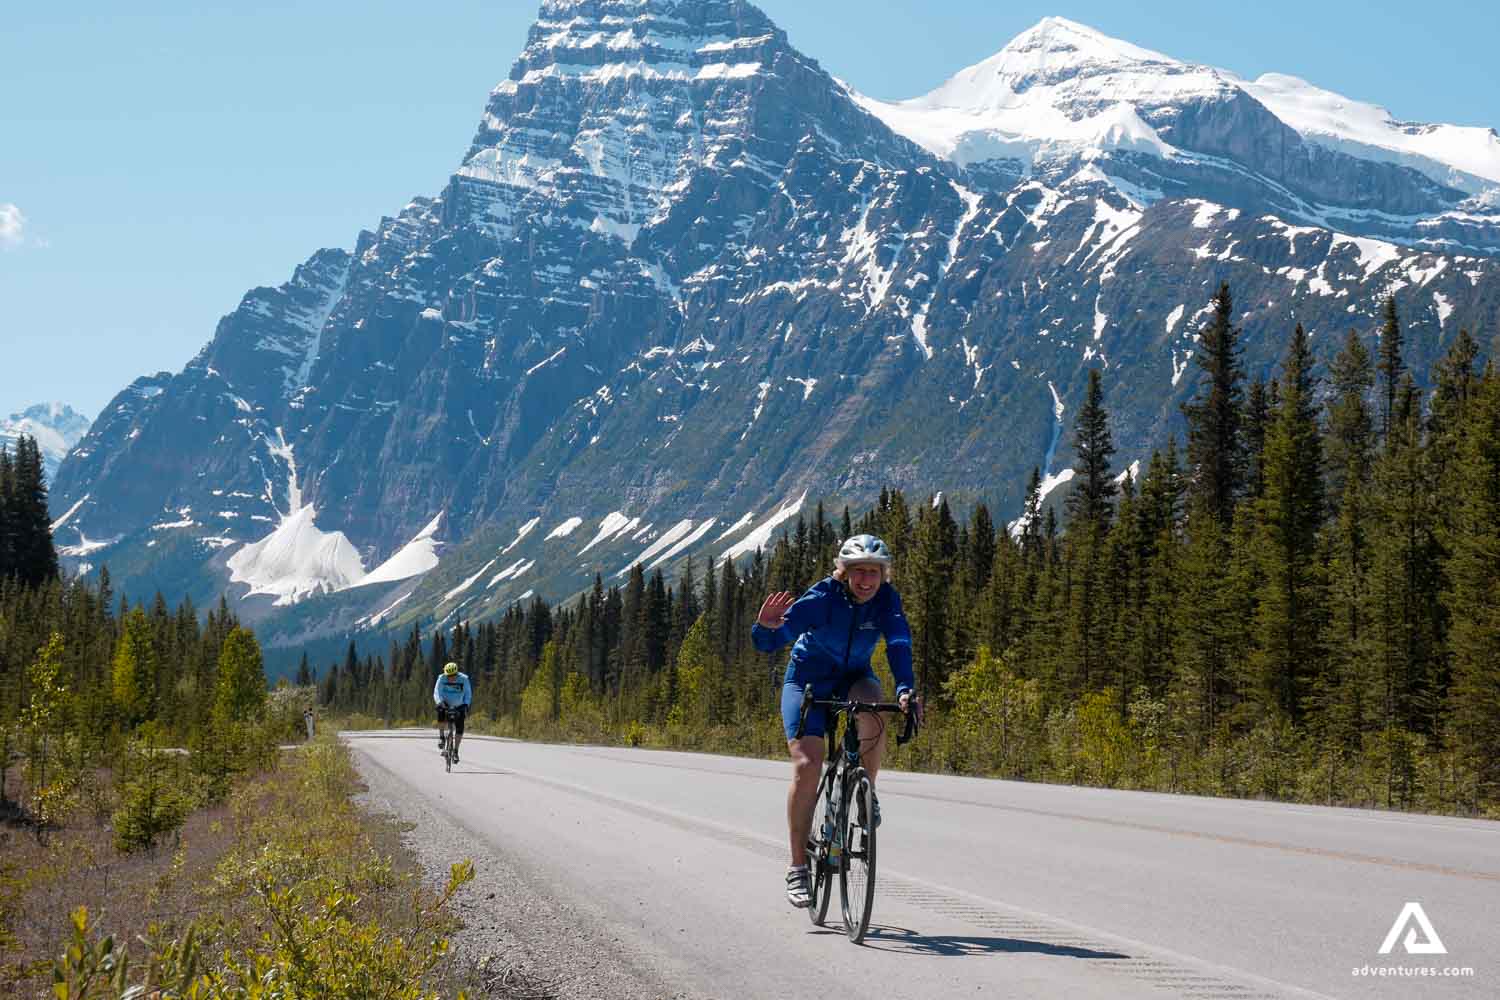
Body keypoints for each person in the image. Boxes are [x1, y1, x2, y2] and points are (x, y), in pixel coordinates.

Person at [751, 534, 918, 909]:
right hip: (807, 680)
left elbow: (898, 644)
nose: (866, 581)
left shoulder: (887, 601)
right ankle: (797, 867)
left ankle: (866, 792)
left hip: (853, 677)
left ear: (883, 575)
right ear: (843, 573)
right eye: (858, 572)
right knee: (808, 764)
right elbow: (773, 640)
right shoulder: (823, 597)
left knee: (874, 707)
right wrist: (766, 629)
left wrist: (906, 688)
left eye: (873, 573)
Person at [433, 661, 472, 762]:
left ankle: (455, 751)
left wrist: (466, 705)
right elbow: (437, 692)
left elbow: (468, 694)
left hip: (459, 705)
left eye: (452, 676)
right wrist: (439, 702)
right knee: (440, 713)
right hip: (445, 703)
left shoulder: (464, 679)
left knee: (460, 727)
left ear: (456, 673)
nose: (450, 678)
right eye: (448, 675)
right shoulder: (441, 678)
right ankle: (441, 737)